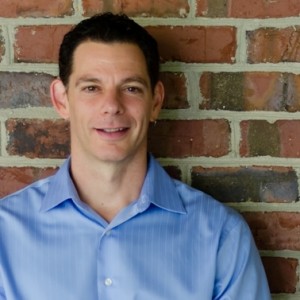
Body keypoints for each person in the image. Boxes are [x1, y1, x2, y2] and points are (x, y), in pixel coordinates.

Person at [0, 12, 271, 300]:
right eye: (91, 88)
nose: (111, 106)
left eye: (130, 88)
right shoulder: (6, 234)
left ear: (155, 101)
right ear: (61, 99)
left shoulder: (221, 236)